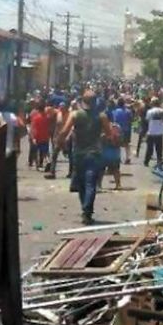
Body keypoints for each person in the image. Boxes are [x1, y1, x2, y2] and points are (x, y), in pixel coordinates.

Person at [56, 90, 111, 224]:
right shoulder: (102, 116)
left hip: (78, 153)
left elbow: (64, 132)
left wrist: (61, 144)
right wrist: (102, 137)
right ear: (95, 101)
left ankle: (85, 209)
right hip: (94, 153)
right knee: (90, 183)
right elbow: (109, 133)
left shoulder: (75, 115)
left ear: (82, 101)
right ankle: (87, 211)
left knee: (81, 184)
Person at [143, 98, 163, 167]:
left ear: (152, 103)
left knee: (149, 148)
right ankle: (159, 162)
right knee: (159, 149)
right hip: (159, 132)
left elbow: (147, 120)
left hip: (151, 132)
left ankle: (146, 162)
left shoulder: (149, 111)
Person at [28, 100, 50, 170]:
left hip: (37, 137)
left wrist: (33, 137)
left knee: (36, 151)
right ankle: (46, 161)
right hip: (45, 137)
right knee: (44, 151)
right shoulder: (47, 117)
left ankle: (37, 165)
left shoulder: (36, 118)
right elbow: (49, 127)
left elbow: (33, 128)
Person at [111, 99, 133, 164]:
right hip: (127, 129)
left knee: (117, 145)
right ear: (123, 104)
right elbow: (131, 120)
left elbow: (114, 121)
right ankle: (128, 158)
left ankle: (118, 158)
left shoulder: (114, 112)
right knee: (127, 144)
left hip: (118, 130)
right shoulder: (128, 111)